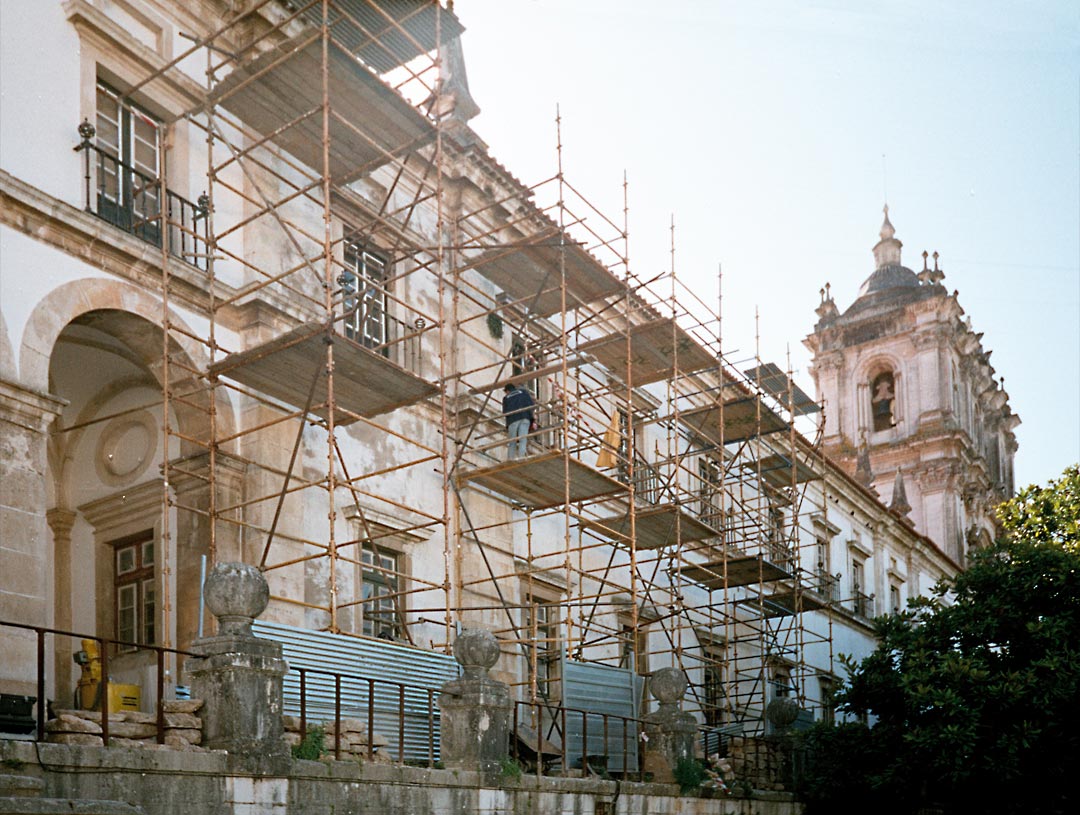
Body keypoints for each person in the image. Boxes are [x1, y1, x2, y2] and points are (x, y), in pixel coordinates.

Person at [502, 382, 535, 459]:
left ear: (507, 391)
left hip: (513, 420)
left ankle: (510, 459)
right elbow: (531, 405)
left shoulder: (506, 398)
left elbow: (505, 412)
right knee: (523, 439)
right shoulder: (524, 392)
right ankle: (521, 457)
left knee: (512, 441)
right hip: (525, 418)